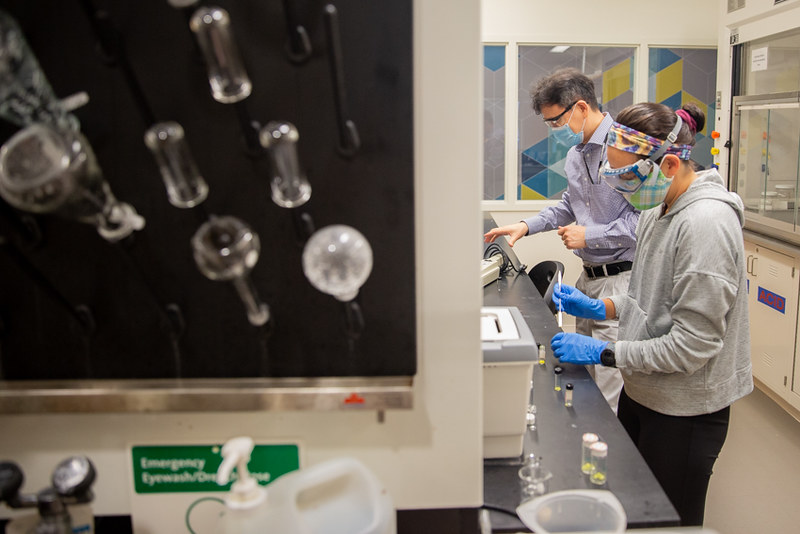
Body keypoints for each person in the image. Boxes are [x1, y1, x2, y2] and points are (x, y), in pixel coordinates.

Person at [550, 102, 753, 526]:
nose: (621, 187)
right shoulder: (658, 210)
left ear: (670, 164)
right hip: (643, 393)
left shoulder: (705, 224)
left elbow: (692, 346)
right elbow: (650, 294)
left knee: (667, 521)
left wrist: (607, 354)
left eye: (626, 175)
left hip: (685, 410)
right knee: (635, 506)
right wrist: (603, 305)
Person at [483, 68, 637, 412]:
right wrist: (526, 226)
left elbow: (645, 223)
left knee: (611, 389)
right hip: (590, 278)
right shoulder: (577, 154)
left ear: (581, 108)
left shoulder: (624, 149)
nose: (556, 131)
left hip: (623, 281)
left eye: (557, 121)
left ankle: (607, 457)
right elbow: (571, 204)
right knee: (587, 381)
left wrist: (589, 234)